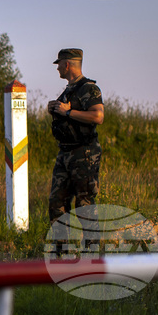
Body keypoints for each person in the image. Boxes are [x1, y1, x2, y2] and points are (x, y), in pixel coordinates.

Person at [47, 48, 105, 226]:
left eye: (59, 64)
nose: (57, 68)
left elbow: (98, 116)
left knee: (84, 205)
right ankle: (60, 243)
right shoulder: (69, 90)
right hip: (65, 152)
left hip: (84, 153)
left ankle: (90, 243)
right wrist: (55, 110)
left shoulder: (89, 88)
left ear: (67, 65)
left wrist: (68, 112)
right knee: (57, 203)